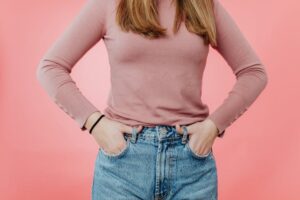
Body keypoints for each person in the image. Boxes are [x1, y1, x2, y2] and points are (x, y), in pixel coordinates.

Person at [36, 0, 268, 199]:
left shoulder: (204, 5)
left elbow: (254, 72)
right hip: (123, 162)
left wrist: (213, 125)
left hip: (192, 162)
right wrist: (96, 124)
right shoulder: (113, 4)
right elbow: (51, 67)